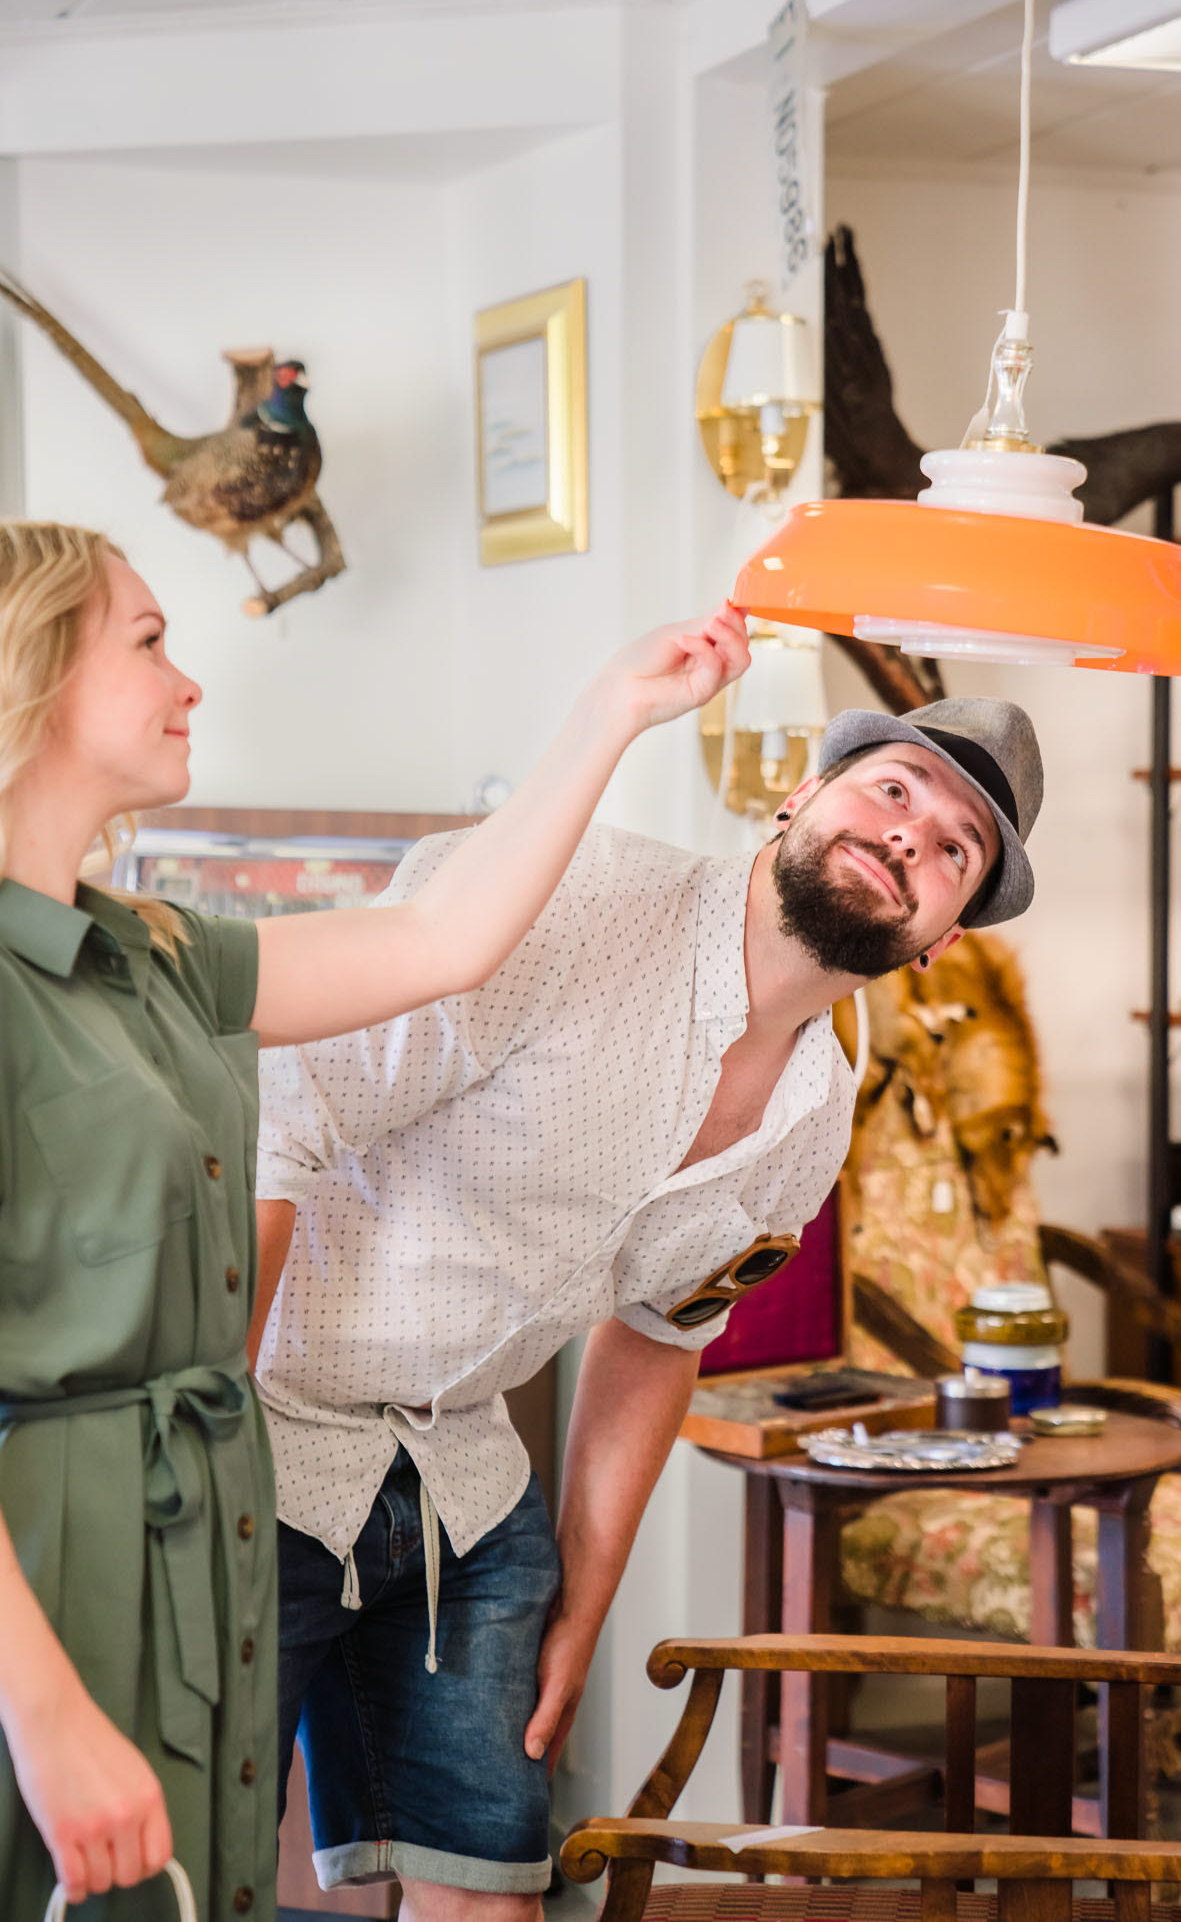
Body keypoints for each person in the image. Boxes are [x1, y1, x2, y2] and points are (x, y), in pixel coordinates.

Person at [0, 518, 749, 1921]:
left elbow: (438, 943)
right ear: (30, 671)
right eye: (149, 640)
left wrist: (611, 714)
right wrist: (42, 1715)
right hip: (41, 1568)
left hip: (188, 1543)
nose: (192, 678)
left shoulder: (150, 955)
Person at [253, 690, 1044, 1919]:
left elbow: (661, 1333)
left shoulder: (816, 1111)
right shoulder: (559, 900)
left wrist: (582, 1603)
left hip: (463, 1473)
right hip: (259, 1432)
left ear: (942, 935)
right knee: (162, 1860)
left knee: (493, 1891)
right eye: (891, 789)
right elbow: (276, 1126)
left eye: (955, 848)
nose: (909, 837)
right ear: (797, 794)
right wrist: (189, 1449)